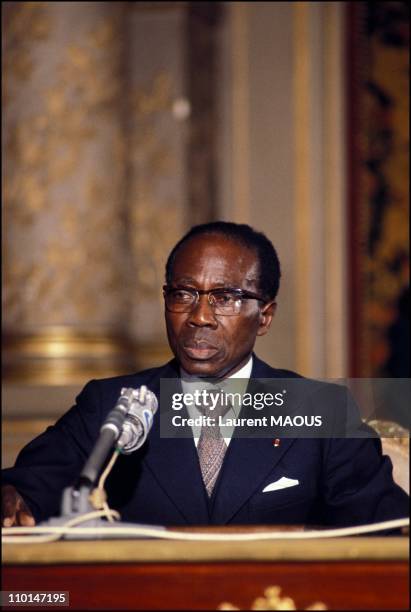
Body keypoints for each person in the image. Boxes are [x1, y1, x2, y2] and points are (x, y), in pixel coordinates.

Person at [2, 222, 409, 528]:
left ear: (264, 316)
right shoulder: (111, 404)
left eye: (225, 298)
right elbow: (25, 488)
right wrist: (13, 498)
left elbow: (382, 532)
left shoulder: (322, 411)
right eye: (183, 294)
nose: (199, 316)